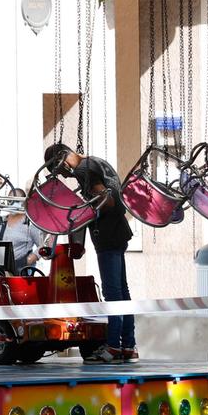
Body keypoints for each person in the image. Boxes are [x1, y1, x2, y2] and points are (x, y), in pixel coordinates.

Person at [45, 141, 135, 362]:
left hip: (107, 236)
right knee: (122, 292)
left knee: (113, 293)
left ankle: (113, 346)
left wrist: (80, 214)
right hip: (118, 232)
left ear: (62, 159)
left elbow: (106, 201)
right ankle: (128, 346)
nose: (64, 175)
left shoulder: (84, 170)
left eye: (59, 170)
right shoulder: (96, 162)